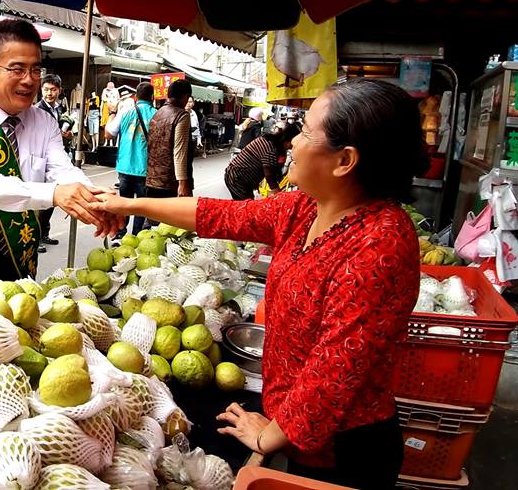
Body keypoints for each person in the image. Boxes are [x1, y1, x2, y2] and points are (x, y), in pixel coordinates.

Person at [89, 78, 429, 488]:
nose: (292, 142)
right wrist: (127, 204)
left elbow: (336, 369)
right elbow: (214, 215)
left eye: (305, 130)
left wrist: (270, 434)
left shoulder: (382, 243)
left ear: (345, 160)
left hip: (345, 452)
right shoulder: (305, 207)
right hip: (298, 432)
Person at [0, 18, 121, 293]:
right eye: (17, 69)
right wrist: (55, 194)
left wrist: (95, 198)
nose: (29, 80)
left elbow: (63, 171)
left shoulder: (44, 121)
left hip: (20, 253)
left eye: (35, 70)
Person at [109, 82, 156, 238]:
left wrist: (112, 112)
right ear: (152, 97)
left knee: (124, 203)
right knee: (141, 205)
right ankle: (136, 236)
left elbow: (109, 133)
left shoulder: (125, 112)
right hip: (144, 168)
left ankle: (120, 233)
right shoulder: (157, 114)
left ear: (136, 97)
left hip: (125, 166)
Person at [145, 79, 194, 218]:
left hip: (152, 179)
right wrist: (183, 183)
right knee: (172, 225)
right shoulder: (182, 115)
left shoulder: (158, 113)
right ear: (185, 96)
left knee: (154, 223)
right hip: (170, 182)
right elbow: (179, 152)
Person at [224, 120, 300, 200]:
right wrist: (279, 195)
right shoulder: (271, 148)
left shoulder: (269, 140)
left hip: (237, 177)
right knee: (245, 207)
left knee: (244, 205)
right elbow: (269, 176)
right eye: (292, 145)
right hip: (237, 179)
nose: (291, 148)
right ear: (287, 140)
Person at [34, 73, 67, 253]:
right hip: (42, 162)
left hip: (56, 160)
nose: (49, 93)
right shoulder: (38, 110)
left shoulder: (58, 109)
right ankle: (36, 238)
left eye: (53, 89)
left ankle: (45, 233)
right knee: (41, 202)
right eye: (46, 89)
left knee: (51, 202)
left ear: (59, 91)